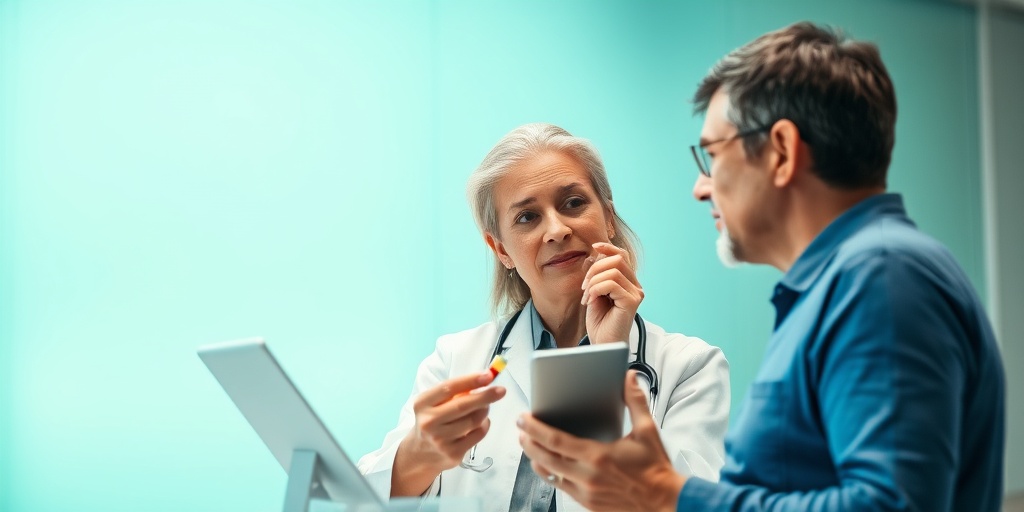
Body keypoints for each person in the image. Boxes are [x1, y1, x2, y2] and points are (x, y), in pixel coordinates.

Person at [518, 22, 1006, 512]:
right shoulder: (841, 288)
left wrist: (666, 496)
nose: (701, 187)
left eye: (712, 155)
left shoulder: (883, 278)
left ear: (781, 151)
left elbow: (890, 506)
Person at [357, 123, 731, 511]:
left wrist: (604, 361)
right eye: (527, 217)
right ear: (500, 249)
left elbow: (691, 503)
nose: (556, 230)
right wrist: (420, 453)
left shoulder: (690, 367)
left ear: (609, 217)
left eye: (573, 203)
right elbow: (363, 499)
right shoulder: (456, 361)